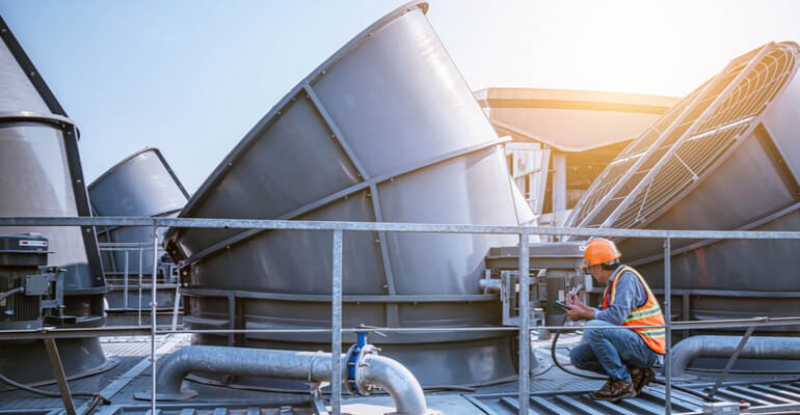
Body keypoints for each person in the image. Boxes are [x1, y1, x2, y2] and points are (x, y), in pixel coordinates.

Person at [563, 238, 665, 402]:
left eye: (590, 269)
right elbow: (608, 317)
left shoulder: (626, 279)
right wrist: (583, 308)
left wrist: (583, 315)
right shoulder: (616, 280)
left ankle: (622, 383)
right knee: (578, 356)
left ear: (597, 267)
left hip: (647, 347)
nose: (591, 273)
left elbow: (615, 317)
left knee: (593, 328)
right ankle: (636, 372)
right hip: (634, 342)